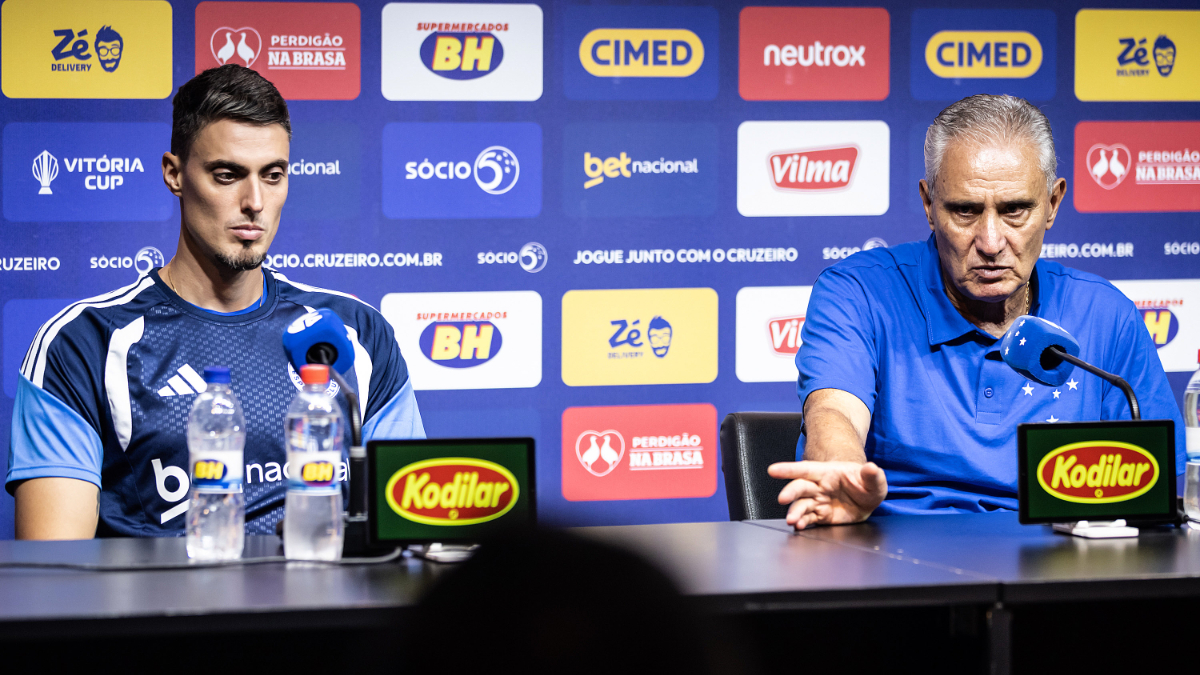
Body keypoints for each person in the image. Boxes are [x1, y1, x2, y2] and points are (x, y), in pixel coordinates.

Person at [7, 65, 424, 539]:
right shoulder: (83, 343)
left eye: (273, 175)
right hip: (167, 612)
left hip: (330, 611)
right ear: (174, 174)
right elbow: (57, 572)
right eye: (227, 175)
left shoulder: (353, 332)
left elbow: (407, 535)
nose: (255, 202)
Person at [769, 94, 1185, 530]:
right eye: (965, 211)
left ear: (1053, 204)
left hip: (1053, 570)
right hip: (893, 558)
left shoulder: (1104, 312)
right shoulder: (858, 293)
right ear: (929, 205)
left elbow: (1149, 493)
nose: (990, 241)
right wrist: (843, 474)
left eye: (1014, 210)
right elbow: (834, 412)